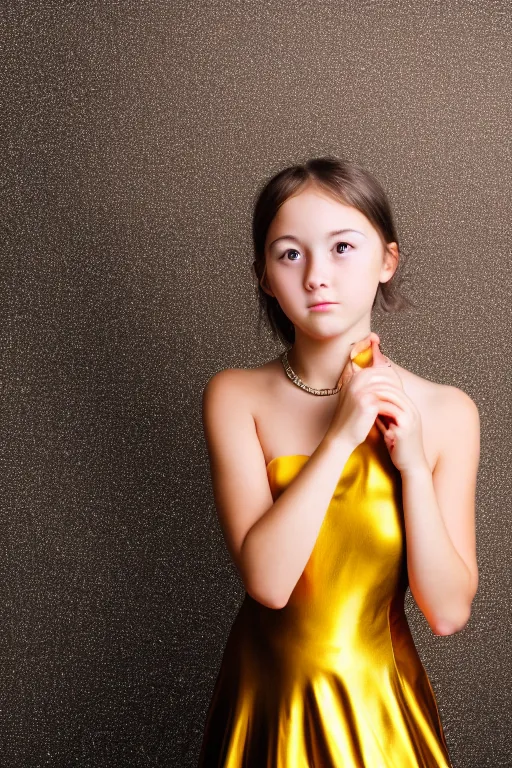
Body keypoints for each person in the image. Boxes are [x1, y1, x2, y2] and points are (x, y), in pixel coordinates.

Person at [197, 156, 480, 767]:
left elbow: (449, 612)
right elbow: (270, 584)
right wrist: (341, 438)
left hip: (377, 706)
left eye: (343, 247)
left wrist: (411, 471)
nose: (317, 276)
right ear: (266, 278)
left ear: (387, 260)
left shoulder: (448, 412)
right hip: (269, 700)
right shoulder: (234, 396)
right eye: (290, 254)